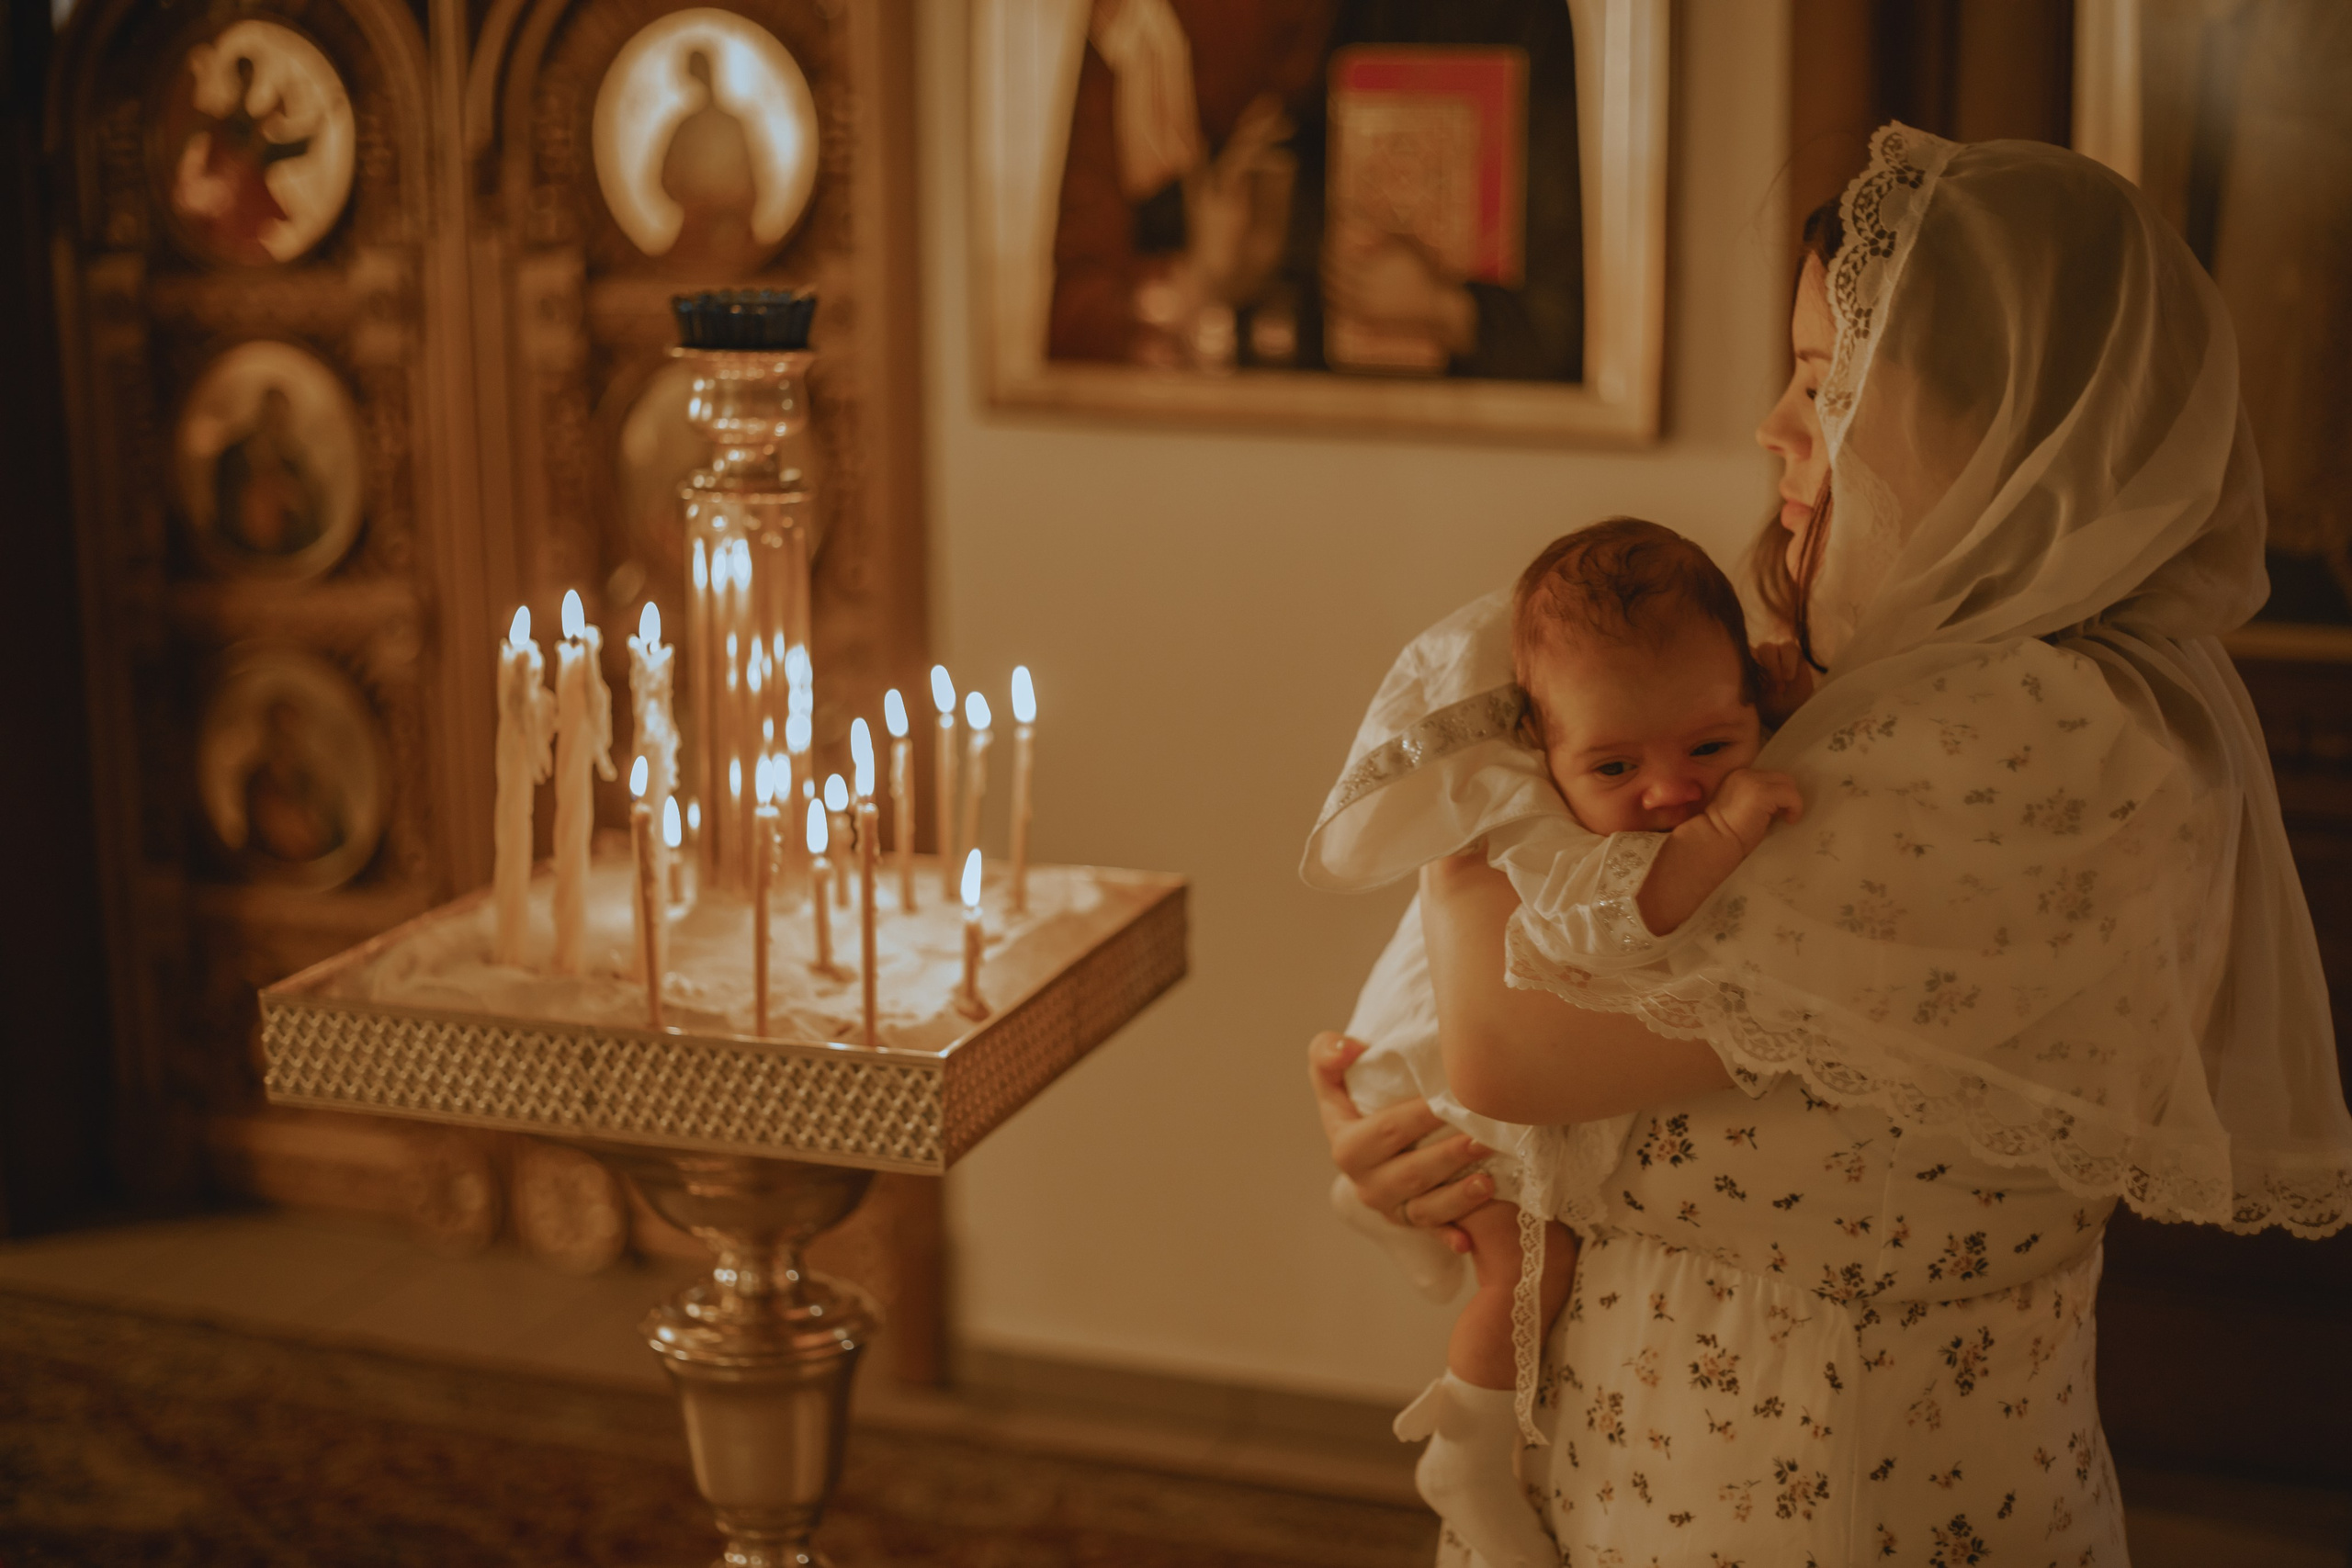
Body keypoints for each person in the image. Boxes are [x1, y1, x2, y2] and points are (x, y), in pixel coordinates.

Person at [1310, 124, 2352, 1562]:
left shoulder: (2034, 732)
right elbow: (1504, 1033)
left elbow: (1514, 1041)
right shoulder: (1846, 681)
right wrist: (1399, 1144)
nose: (1776, 428)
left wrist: (1471, 776)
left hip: (1825, 1495)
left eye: (1827, 380)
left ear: (2008, 428)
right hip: (1661, 1461)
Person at [1323, 521, 1807, 1567]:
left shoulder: (1637, 761)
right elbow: (1610, 930)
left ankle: (1397, 1231)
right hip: (1451, 1072)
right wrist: (1723, 831)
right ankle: (1463, 1451)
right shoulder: (1543, 842)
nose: (1667, 791)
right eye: (1615, 764)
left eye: (1711, 748)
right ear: (1546, 753)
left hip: (1448, 1053)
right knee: (1534, 1271)